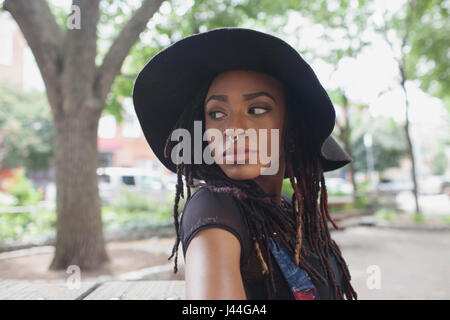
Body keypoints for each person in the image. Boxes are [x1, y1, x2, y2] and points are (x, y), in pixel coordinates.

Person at [133, 27, 357, 300]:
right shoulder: (214, 208)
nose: (233, 129)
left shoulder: (287, 210)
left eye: (257, 109)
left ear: (291, 129)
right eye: (217, 113)